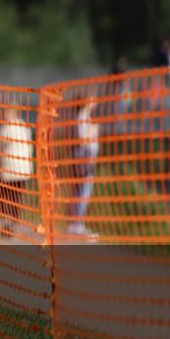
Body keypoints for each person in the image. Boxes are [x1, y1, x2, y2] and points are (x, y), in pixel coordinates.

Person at [0, 105, 34, 237]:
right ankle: (12, 223)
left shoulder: (7, 128)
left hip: (9, 168)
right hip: (23, 170)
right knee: (16, 198)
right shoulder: (25, 127)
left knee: (5, 196)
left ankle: (8, 224)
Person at [67, 98, 99, 239]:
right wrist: (93, 130)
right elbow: (82, 139)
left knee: (82, 191)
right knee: (83, 192)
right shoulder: (82, 118)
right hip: (84, 160)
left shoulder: (85, 117)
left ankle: (75, 223)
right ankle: (76, 224)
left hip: (86, 159)